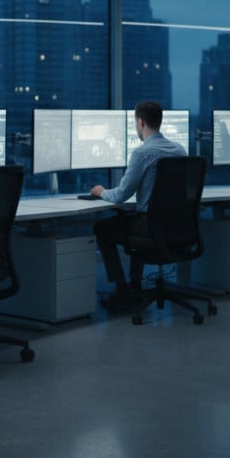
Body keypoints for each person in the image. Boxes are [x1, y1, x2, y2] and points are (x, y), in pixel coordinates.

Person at [89, 100, 187, 312]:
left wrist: (100, 192)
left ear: (140, 122)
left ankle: (122, 288)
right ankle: (135, 284)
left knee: (103, 229)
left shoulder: (142, 153)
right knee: (132, 222)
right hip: (175, 226)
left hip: (149, 227)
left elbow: (121, 195)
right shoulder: (180, 150)